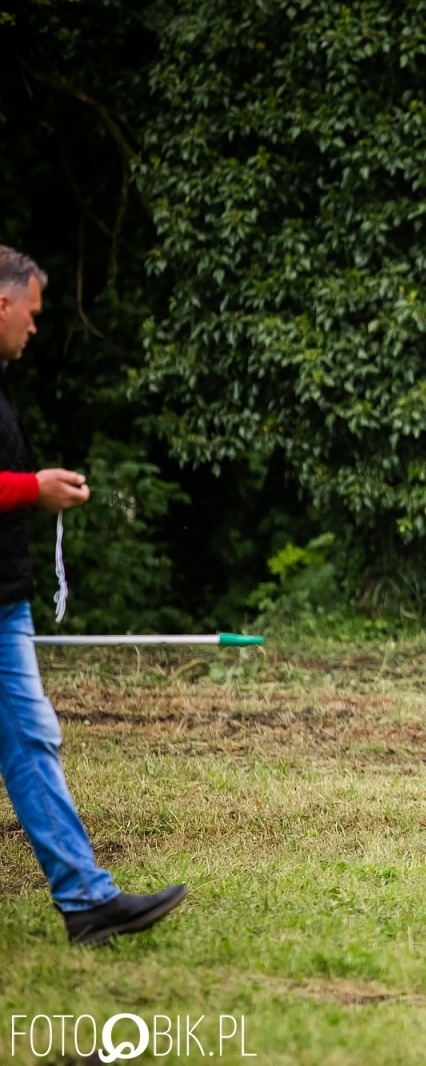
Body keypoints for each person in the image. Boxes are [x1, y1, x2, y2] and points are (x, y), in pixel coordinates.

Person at [0, 245, 186, 945]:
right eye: (31, 313)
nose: (35, 327)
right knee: (31, 741)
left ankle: (85, 900)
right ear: (1, 304)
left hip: (6, 602)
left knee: (31, 742)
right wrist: (33, 488)